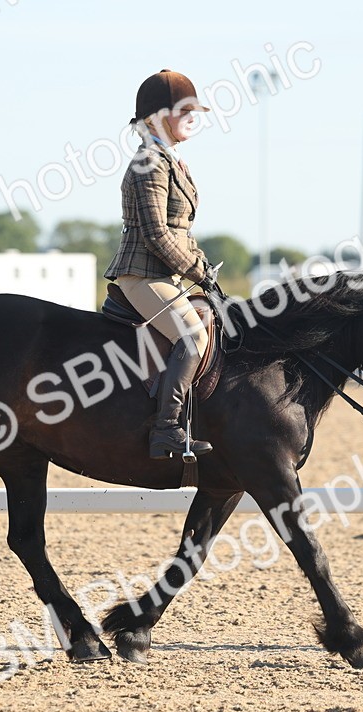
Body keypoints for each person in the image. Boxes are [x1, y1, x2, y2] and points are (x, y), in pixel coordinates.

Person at [104, 69, 216, 461]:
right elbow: (156, 234)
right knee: (193, 337)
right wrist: (198, 271)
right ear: (155, 117)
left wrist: (204, 267)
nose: (192, 117)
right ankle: (166, 430)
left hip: (168, 274)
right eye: (183, 110)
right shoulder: (149, 162)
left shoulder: (172, 161)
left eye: (194, 111)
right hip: (143, 273)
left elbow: (180, 230)